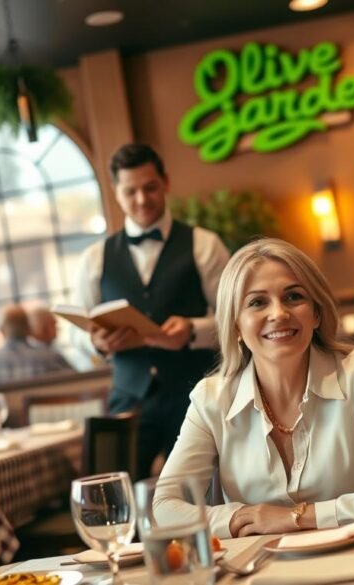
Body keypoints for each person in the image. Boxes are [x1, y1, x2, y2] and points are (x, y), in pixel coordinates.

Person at [153, 238, 354, 538]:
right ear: (235, 326)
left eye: (294, 297)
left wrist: (302, 517)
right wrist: (240, 518)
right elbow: (164, 507)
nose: (279, 313)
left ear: (317, 314)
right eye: (257, 302)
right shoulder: (211, 399)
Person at [72, 143, 230, 477]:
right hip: (129, 398)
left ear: (166, 183)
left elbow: (237, 318)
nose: (141, 200)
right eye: (130, 191)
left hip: (197, 394)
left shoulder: (204, 244)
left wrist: (193, 330)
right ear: (115, 192)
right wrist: (97, 343)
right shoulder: (94, 258)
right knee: (116, 496)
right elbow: (74, 336)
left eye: (150, 188)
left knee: (205, 496)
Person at [0, 304, 75, 385]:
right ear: (29, 329)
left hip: (10, 408)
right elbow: (76, 381)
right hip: (44, 407)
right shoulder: (50, 356)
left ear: (2, 330)